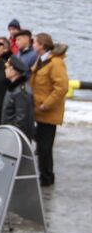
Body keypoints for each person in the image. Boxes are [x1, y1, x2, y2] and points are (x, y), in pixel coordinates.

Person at [29, 33, 69, 187]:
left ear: (42, 45)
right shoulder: (42, 60)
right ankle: (44, 175)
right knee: (41, 145)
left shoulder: (56, 63)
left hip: (48, 112)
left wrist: (47, 104)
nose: (33, 45)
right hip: (38, 110)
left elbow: (62, 87)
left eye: (35, 43)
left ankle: (47, 178)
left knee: (45, 148)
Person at [1, 56, 36, 140]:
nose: (5, 70)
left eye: (7, 67)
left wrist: (14, 137)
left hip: (16, 136)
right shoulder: (13, 88)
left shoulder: (21, 92)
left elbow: (22, 120)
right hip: (9, 132)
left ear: (13, 71)